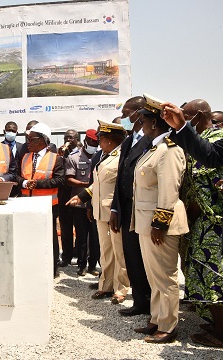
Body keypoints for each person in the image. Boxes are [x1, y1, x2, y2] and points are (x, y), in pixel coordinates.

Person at [160, 101, 223, 347]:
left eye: (187, 116)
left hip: (215, 223)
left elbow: (211, 160)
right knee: (199, 274)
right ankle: (215, 322)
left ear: (198, 115)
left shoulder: (217, 136)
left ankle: (220, 333)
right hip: (198, 222)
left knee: (215, 276)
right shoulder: (200, 138)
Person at [130, 101, 187, 343]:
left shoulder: (169, 149)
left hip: (160, 223)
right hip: (147, 221)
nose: (140, 125)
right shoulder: (154, 148)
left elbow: (169, 190)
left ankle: (168, 326)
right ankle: (156, 318)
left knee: (165, 275)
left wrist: (160, 223)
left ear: (154, 122)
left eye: (143, 120)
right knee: (154, 275)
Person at [67, 121, 129, 304]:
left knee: (119, 251)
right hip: (100, 211)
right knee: (106, 250)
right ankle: (106, 285)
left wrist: (117, 209)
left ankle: (121, 288)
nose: (98, 142)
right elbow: (99, 183)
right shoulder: (104, 156)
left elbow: (121, 186)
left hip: (114, 211)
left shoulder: (122, 156)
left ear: (110, 140)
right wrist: (83, 197)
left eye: (101, 138)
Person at [109, 96, 152, 317]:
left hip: (143, 210)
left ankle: (153, 305)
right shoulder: (128, 141)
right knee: (132, 256)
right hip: (126, 209)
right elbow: (120, 178)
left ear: (138, 113)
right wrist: (115, 208)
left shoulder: (153, 140)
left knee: (147, 259)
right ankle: (140, 302)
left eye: (127, 114)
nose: (124, 118)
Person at [17, 122, 66, 278]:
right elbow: (17, 176)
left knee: (49, 237)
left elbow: (60, 181)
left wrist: (38, 184)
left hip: (47, 206)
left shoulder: (55, 159)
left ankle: (52, 268)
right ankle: (32, 266)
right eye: (27, 139)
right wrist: (24, 183)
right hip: (27, 204)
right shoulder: (25, 157)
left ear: (43, 140)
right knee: (29, 237)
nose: (28, 143)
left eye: (31, 139)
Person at [65, 129, 98, 276]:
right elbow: (69, 179)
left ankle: (92, 265)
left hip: (96, 203)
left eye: (96, 142)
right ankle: (81, 265)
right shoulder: (74, 157)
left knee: (95, 236)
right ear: (86, 141)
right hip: (80, 204)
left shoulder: (100, 156)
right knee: (82, 236)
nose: (94, 144)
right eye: (92, 142)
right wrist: (87, 185)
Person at [57, 129, 80, 268]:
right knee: (65, 228)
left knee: (80, 227)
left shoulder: (82, 153)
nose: (68, 140)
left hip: (77, 194)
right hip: (64, 195)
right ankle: (66, 256)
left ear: (77, 139)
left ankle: (80, 255)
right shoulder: (61, 154)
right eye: (66, 137)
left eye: (71, 138)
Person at [2, 121, 23, 197]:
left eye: (13, 131)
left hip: (18, 185)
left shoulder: (22, 147)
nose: (11, 133)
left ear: (16, 133)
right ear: (4, 131)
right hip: (3, 183)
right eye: (9, 130)